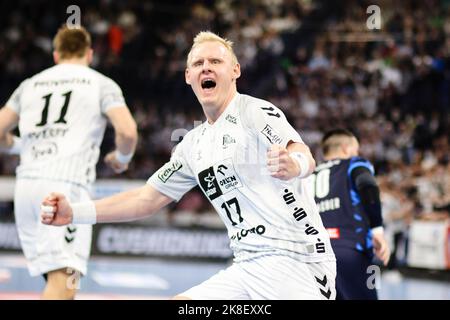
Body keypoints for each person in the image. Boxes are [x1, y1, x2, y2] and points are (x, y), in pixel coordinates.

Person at [40, 31, 336, 300]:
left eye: (215, 61)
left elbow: (302, 153)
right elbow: (146, 199)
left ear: (235, 71)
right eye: (198, 63)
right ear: (187, 76)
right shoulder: (192, 145)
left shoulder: (254, 112)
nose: (206, 67)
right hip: (247, 267)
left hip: (296, 261)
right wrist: (73, 213)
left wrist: (294, 164)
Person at [0, 25, 138, 299]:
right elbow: (127, 131)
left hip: (25, 188)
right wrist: (121, 158)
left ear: (55, 55)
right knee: (64, 281)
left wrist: (21, 145)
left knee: (56, 277)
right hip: (65, 190)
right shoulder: (100, 83)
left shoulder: (29, 85)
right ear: (89, 54)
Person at [309, 128, 390, 300]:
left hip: (313, 256)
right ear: (346, 148)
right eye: (356, 149)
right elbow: (368, 186)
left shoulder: (308, 175)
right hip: (351, 250)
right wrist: (378, 231)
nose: (357, 153)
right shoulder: (354, 163)